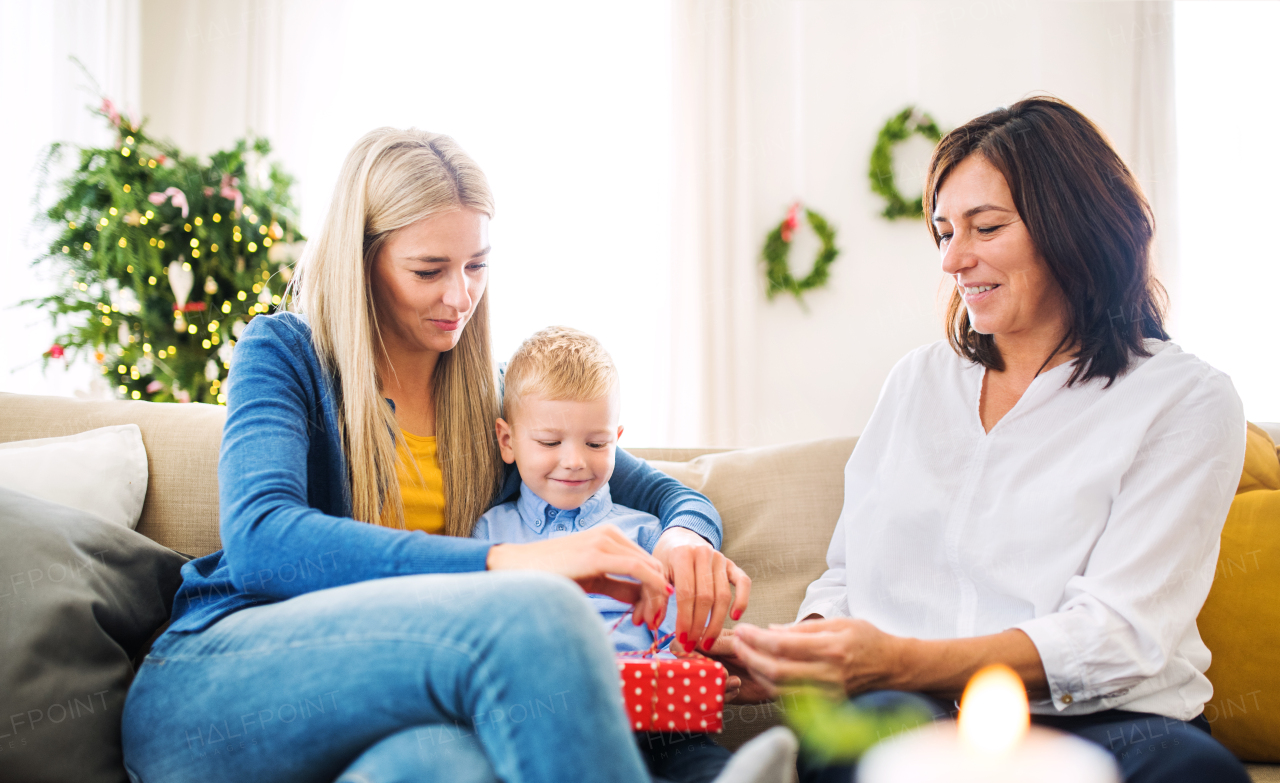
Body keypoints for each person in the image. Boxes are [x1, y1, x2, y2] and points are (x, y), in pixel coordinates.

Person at [121, 127, 746, 783]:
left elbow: (674, 496)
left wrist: (684, 538)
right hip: (218, 680)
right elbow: (261, 539)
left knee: (444, 765)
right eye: (429, 270)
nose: (460, 297)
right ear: (361, 262)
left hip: (398, 702)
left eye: (477, 265)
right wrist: (508, 562)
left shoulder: (497, 400)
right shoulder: (285, 354)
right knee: (535, 612)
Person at [719, 97, 1252, 783]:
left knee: (1192, 773)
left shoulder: (1185, 399)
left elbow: (1121, 634)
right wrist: (800, 648)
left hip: (1112, 720)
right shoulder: (916, 382)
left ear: (1076, 227)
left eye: (985, 227)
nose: (953, 259)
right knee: (856, 741)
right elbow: (848, 573)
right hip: (911, 708)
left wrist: (898, 658)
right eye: (943, 232)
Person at [472, 325, 782, 783]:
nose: (575, 460)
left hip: (655, 709)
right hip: (554, 713)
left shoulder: (647, 530)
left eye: (596, 443)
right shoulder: (491, 531)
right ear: (507, 441)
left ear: (617, 437)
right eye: (550, 442)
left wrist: (688, 661)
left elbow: (677, 630)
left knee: (694, 757)